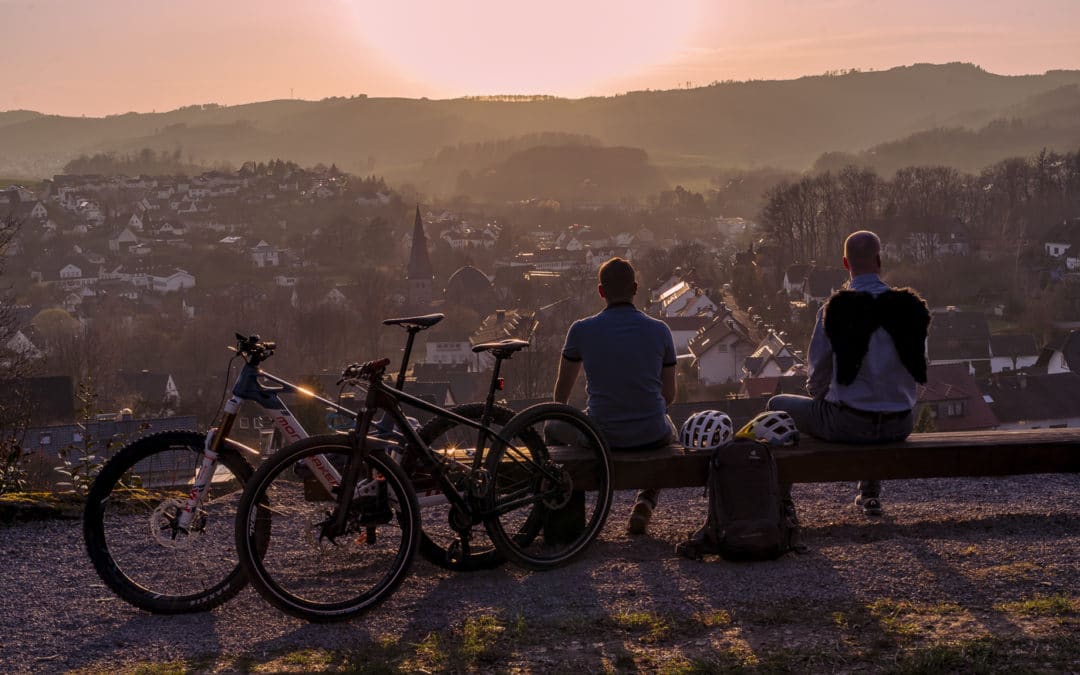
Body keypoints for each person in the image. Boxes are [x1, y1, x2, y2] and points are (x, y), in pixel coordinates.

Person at [767, 231, 930, 516]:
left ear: (845, 263)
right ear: (880, 260)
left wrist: (824, 399)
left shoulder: (835, 309)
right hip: (900, 424)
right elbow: (920, 367)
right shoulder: (909, 307)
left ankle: (781, 502)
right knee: (874, 398)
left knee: (777, 407)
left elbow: (816, 374)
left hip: (848, 425)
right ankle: (869, 495)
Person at [552, 257, 678, 535]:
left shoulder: (581, 330)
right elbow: (668, 396)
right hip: (651, 433)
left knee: (552, 427)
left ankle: (566, 505)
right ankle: (646, 500)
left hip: (601, 436)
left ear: (601, 291)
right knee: (672, 429)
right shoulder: (660, 331)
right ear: (635, 288)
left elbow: (559, 400)